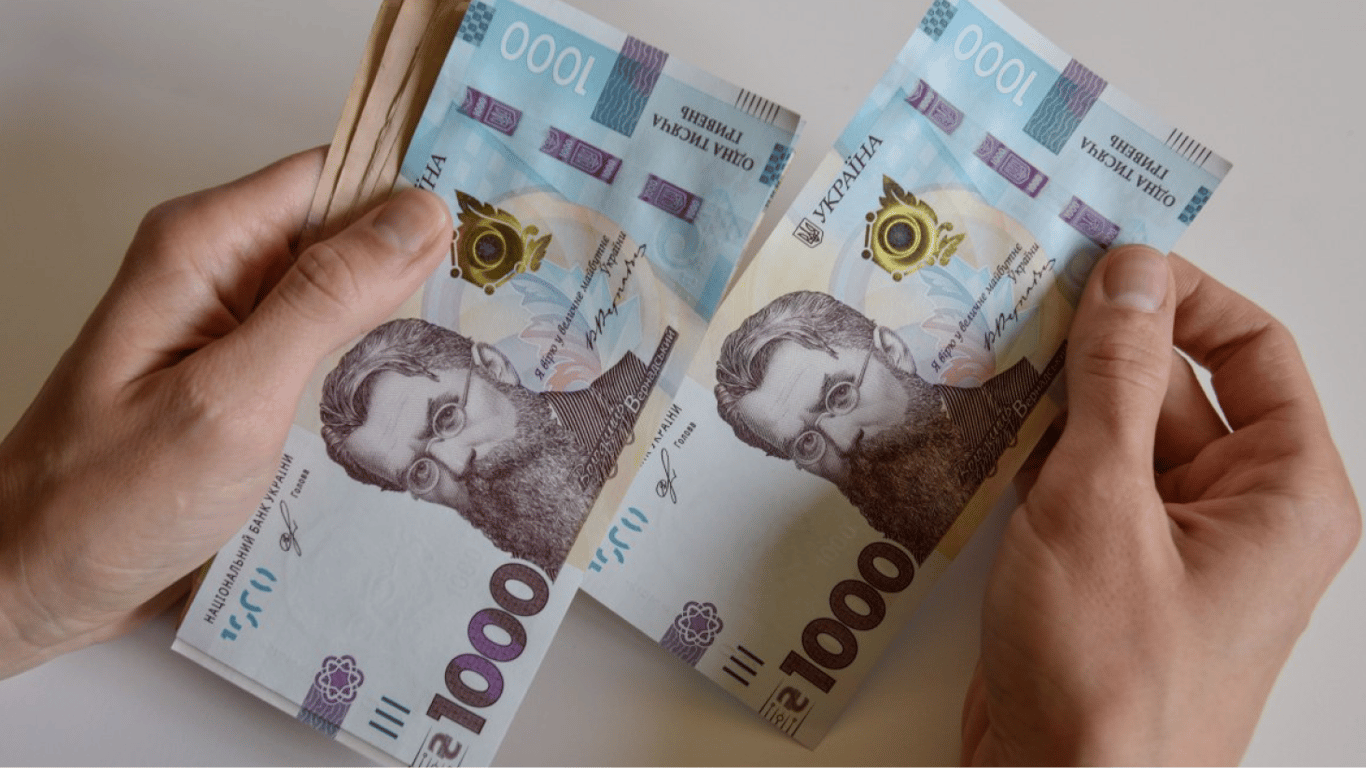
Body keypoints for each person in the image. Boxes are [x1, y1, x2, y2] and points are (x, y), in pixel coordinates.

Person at [0, 149, 1357, 766]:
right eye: (416, 474)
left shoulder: (645, 393)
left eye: (440, 426)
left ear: (487, 369)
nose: (450, 477)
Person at [715, 290, 1046, 562]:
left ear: (892, 351)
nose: (843, 442)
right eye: (807, 444)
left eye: (840, 394)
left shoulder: (1045, 396)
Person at [317, 317, 651, 578]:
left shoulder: (650, 381)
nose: (457, 464)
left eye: (447, 417)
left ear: (493, 366)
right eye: (421, 473)